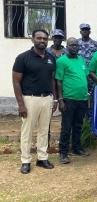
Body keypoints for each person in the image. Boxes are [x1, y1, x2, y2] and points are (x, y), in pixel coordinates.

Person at [12, 29, 57, 174]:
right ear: (32, 39)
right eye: (39, 38)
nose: (42, 41)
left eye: (45, 38)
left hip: (47, 99)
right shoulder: (23, 58)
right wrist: (21, 105)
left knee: (44, 130)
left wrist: (54, 98)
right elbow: (16, 82)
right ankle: (25, 161)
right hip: (29, 99)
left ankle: (42, 158)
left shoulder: (51, 58)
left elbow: (52, 80)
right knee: (27, 131)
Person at [56, 37, 89, 164]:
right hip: (68, 99)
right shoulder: (61, 61)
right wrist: (60, 100)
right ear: (67, 46)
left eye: (76, 45)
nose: (74, 47)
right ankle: (63, 153)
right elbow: (58, 81)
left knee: (78, 125)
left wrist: (87, 95)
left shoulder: (81, 59)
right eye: (71, 45)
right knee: (66, 127)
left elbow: (84, 76)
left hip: (82, 98)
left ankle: (76, 148)